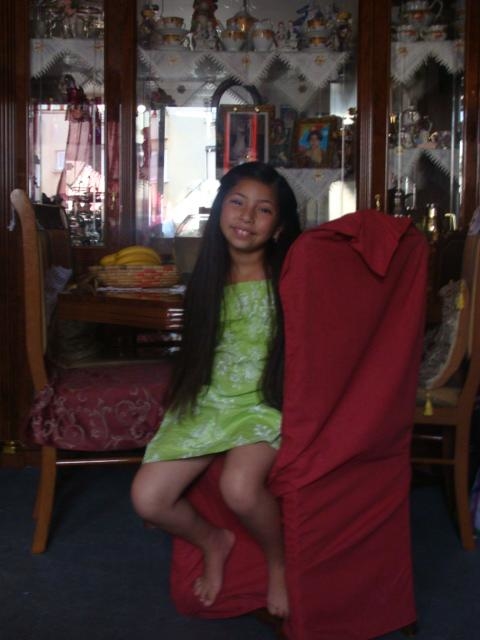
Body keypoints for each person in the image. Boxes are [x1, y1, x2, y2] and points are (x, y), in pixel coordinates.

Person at [131, 161, 301, 619]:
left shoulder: (288, 281)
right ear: (220, 208)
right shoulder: (206, 278)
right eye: (237, 202)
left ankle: (278, 562)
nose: (246, 216)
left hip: (261, 405)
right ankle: (213, 540)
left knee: (240, 489)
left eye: (263, 209)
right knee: (148, 499)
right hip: (210, 403)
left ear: (279, 227)